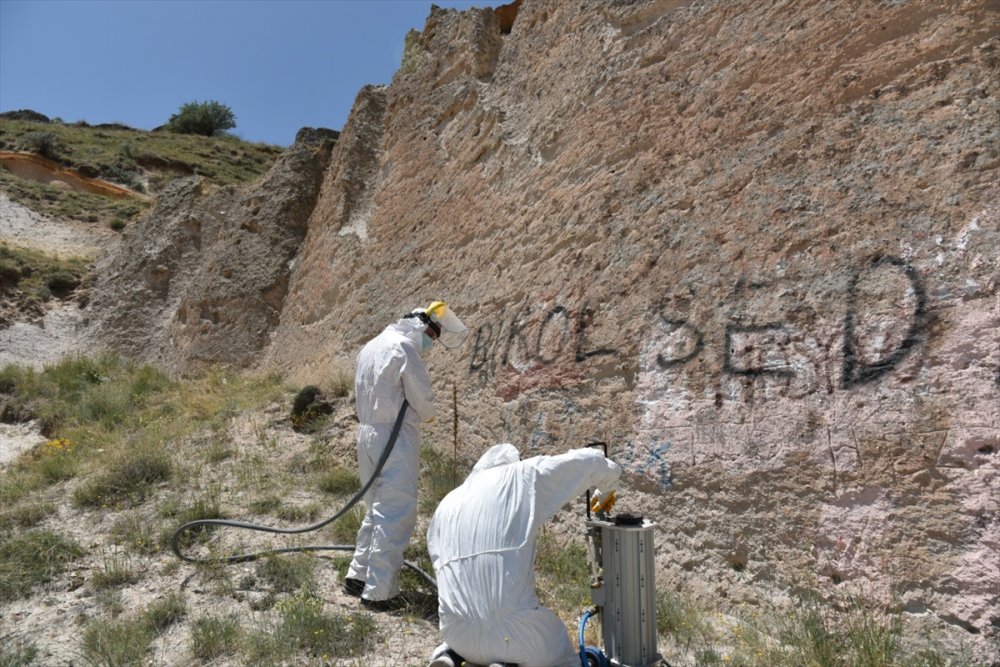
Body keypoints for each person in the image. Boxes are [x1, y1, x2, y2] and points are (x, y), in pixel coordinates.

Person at [426, 444, 622, 667]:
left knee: (473, 633)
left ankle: (451, 656)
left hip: (456, 631)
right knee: (561, 654)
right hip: (516, 634)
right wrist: (609, 483)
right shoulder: (520, 476)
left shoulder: (445, 505)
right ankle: (505, 663)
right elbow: (587, 461)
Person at [343, 301, 468, 611]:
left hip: (367, 434)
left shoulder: (371, 346)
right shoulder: (404, 349)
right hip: (394, 438)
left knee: (376, 509)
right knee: (396, 512)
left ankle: (357, 577)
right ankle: (379, 593)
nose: (431, 342)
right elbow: (422, 397)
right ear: (419, 325)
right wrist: (429, 414)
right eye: (431, 335)